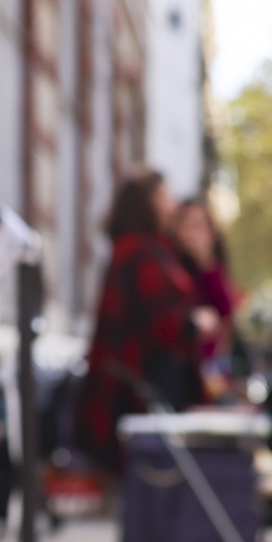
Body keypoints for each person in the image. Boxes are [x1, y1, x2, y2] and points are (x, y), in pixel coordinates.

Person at [78, 172, 217, 471]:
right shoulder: (143, 253)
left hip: (140, 381)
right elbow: (162, 323)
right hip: (146, 386)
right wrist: (196, 323)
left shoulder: (145, 249)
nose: (173, 204)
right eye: (166, 196)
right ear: (148, 202)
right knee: (152, 475)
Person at [171, 197, 240, 398]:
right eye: (187, 224)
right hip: (179, 373)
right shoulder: (169, 266)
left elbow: (225, 312)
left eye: (199, 226)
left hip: (208, 375)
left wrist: (205, 261)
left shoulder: (212, 270)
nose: (192, 233)